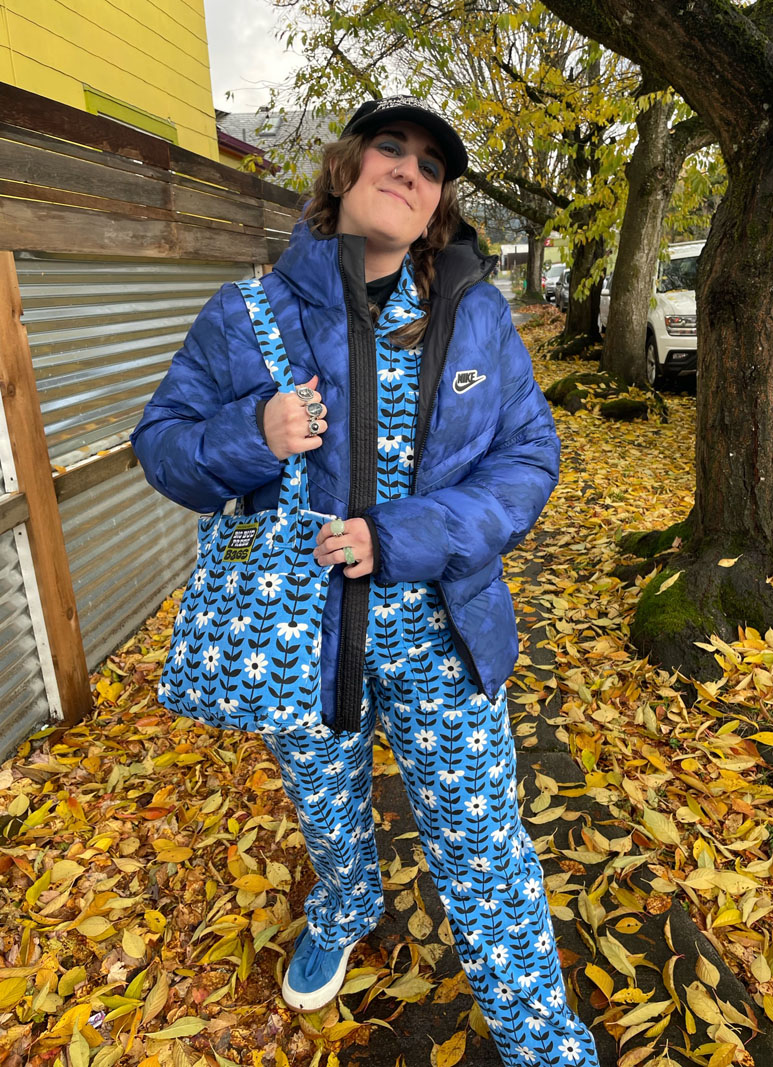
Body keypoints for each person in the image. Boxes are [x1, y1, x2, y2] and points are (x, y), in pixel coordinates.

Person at [131, 97, 599, 1067]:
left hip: (444, 626)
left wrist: (407, 534)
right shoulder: (243, 314)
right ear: (344, 168)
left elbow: (528, 456)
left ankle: (543, 1045)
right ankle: (344, 900)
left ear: (436, 206)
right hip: (298, 636)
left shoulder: (474, 317)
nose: (407, 169)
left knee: (485, 852)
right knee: (329, 809)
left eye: (430, 166)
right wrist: (245, 435)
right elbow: (161, 447)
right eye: (390, 147)